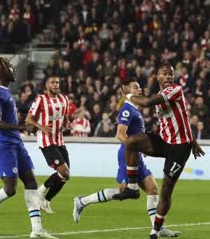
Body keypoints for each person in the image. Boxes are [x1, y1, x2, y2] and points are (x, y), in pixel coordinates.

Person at [72, 79, 179, 237]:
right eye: (136, 87)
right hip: (127, 154)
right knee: (124, 190)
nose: (140, 89)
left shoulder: (135, 108)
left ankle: (158, 227)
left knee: (152, 188)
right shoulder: (127, 110)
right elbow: (120, 134)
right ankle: (82, 202)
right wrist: (133, 146)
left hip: (135, 153)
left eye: (140, 86)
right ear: (127, 90)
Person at [111, 64, 205, 239]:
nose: (169, 76)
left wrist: (128, 95)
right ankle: (132, 187)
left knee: (166, 189)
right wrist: (194, 139)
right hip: (163, 141)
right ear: (158, 77)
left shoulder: (175, 90)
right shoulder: (160, 94)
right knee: (131, 142)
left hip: (179, 148)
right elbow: (182, 117)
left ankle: (156, 229)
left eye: (171, 73)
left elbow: (146, 102)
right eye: (165, 74)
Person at [0, 57, 56, 238]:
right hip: (4, 144)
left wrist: (22, 128)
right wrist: (22, 127)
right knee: (10, 189)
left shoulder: (6, 90)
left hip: (16, 142)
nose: (14, 71)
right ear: (3, 71)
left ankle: (37, 229)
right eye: (11, 68)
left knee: (32, 182)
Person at [25, 75, 70, 214]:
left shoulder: (64, 99)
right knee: (63, 171)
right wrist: (41, 127)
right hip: (46, 141)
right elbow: (28, 119)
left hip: (59, 140)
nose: (56, 84)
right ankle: (40, 192)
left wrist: (67, 124)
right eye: (52, 82)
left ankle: (46, 201)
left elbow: (65, 117)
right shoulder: (41, 99)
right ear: (47, 85)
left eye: (57, 82)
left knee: (66, 176)